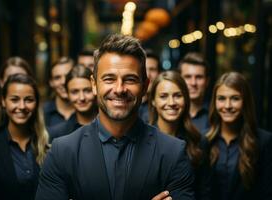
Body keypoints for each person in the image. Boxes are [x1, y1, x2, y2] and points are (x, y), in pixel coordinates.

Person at [35, 34, 194, 200]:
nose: (119, 89)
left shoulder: (173, 153)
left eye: (130, 79)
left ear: (145, 86)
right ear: (94, 84)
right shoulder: (62, 152)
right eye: (109, 79)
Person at [0, 74, 49, 200]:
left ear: (36, 103)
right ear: (3, 101)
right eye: (14, 99)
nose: (22, 106)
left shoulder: (49, 144)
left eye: (29, 100)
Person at [206, 72, 272, 200]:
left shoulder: (264, 141)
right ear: (214, 102)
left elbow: (268, 193)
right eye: (221, 98)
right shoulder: (204, 140)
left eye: (235, 98)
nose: (228, 105)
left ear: (245, 102)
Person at [148, 70, 211, 200]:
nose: (171, 102)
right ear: (153, 101)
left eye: (177, 95)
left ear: (186, 99)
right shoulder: (141, 140)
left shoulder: (199, 142)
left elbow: (205, 194)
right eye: (163, 96)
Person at [48, 65, 98, 141]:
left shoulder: (109, 127)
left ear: (95, 89)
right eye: (75, 92)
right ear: (67, 94)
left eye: (87, 90)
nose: (82, 98)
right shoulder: (57, 134)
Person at [178, 52, 210, 132]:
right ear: (179, 80)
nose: (193, 83)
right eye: (188, 77)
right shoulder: (170, 112)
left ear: (207, 81)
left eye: (199, 77)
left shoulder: (216, 114)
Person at [43, 57, 75, 128]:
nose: (63, 82)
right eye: (57, 78)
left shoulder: (87, 110)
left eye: (68, 76)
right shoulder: (42, 113)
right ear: (51, 83)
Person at [139, 48, 160, 123]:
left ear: (159, 73)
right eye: (143, 70)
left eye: (152, 69)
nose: (148, 75)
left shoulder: (164, 106)